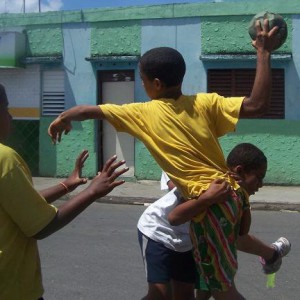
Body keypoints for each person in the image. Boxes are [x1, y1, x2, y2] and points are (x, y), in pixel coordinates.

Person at [48, 19, 288, 298]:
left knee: (220, 289)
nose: (141, 83)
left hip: (210, 203)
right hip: (229, 198)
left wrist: (64, 116)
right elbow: (259, 104)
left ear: (157, 84)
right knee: (210, 285)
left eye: (143, 79)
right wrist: (264, 53)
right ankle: (270, 255)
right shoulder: (206, 103)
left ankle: (268, 256)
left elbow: (90, 110)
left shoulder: (142, 113)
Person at [0, 83, 128, 300]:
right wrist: (92, 192)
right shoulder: (5, 159)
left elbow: (19, 206)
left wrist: (67, 185)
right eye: (7, 110)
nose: (11, 118)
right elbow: (41, 227)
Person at [138, 144, 290, 300]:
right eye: (259, 177)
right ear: (239, 171)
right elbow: (174, 218)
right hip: (159, 232)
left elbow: (239, 234)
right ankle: (272, 254)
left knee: (184, 295)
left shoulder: (236, 195)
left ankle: (272, 254)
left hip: (190, 242)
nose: (261, 184)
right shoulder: (210, 183)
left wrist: (245, 198)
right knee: (160, 295)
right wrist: (206, 198)